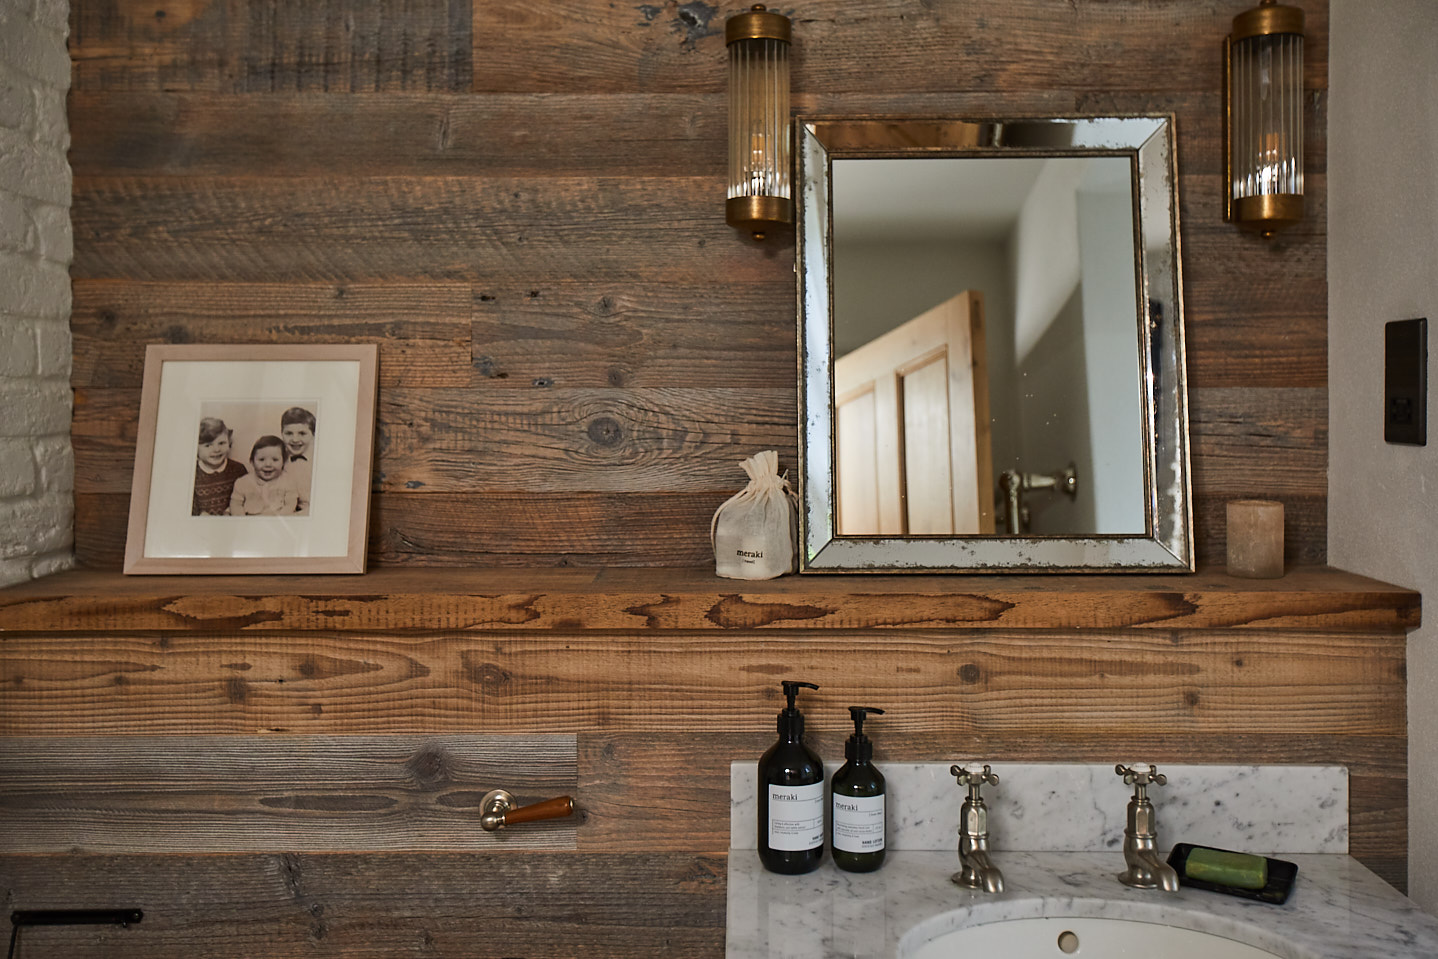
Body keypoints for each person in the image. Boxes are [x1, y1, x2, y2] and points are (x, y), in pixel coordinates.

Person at [229, 435, 301, 516]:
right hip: (250, 521)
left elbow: (290, 504)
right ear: (252, 462)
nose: (268, 464)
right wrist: (242, 520)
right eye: (261, 459)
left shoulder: (288, 481)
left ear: (283, 462)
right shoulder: (243, 482)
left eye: (275, 459)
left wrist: (279, 519)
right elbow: (236, 504)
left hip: (277, 520)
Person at [193, 417, 249, 516]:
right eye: (208, 445)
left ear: (229, 443)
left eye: (222, 443)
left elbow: (248, 497)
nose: (216, 449)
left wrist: (230, 511)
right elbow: (189, 506)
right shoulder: (192, 473)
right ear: (195, 448)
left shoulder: (238, 470)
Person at [279, 406, 315, 514]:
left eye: (302, 433)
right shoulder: (278, 461)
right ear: (282, 434)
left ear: (313, 435)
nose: (295, 439)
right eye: (289, 433)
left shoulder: (318, 463)